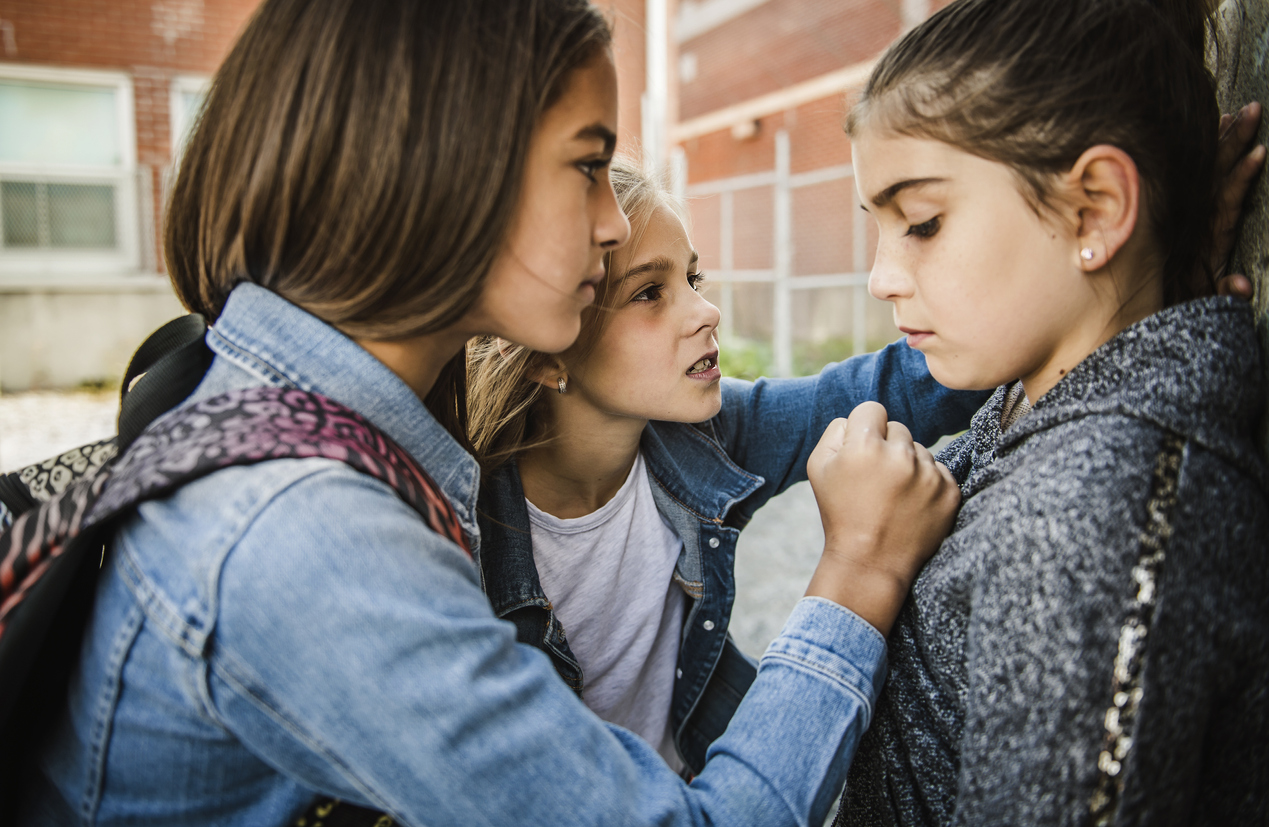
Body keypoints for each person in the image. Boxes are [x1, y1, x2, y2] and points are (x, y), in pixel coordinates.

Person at [18, 1, 963, 825]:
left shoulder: (334, 425)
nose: (610, 221)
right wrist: (859, 569)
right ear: (448, 171)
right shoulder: (307, 534)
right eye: (588, 166)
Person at [828, 0, 1269, 824]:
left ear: (1095, 207)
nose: (880, 276)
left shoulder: (1088, 523)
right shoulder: (1044, 404)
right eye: (878, 228)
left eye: (920, 222)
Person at [465, 158, 987, 775]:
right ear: (544, 350)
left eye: (692, 278)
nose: (705, 311)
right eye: (649, 292)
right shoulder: (465, 526)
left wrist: (1027, 325)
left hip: (691, 774)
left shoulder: (703, 432)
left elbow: (880, 388)